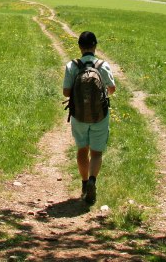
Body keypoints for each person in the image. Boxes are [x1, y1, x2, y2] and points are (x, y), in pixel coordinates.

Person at [63, 31, 116, 205]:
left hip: (78, 115)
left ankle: (85, 184)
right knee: (96, 152)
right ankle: (93, 179)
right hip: (99, 116)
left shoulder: (72, 66)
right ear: (95, 46)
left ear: (79, 46)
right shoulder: (103, 65)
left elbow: (66, 91)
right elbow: (112, 88)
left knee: (82, 150)